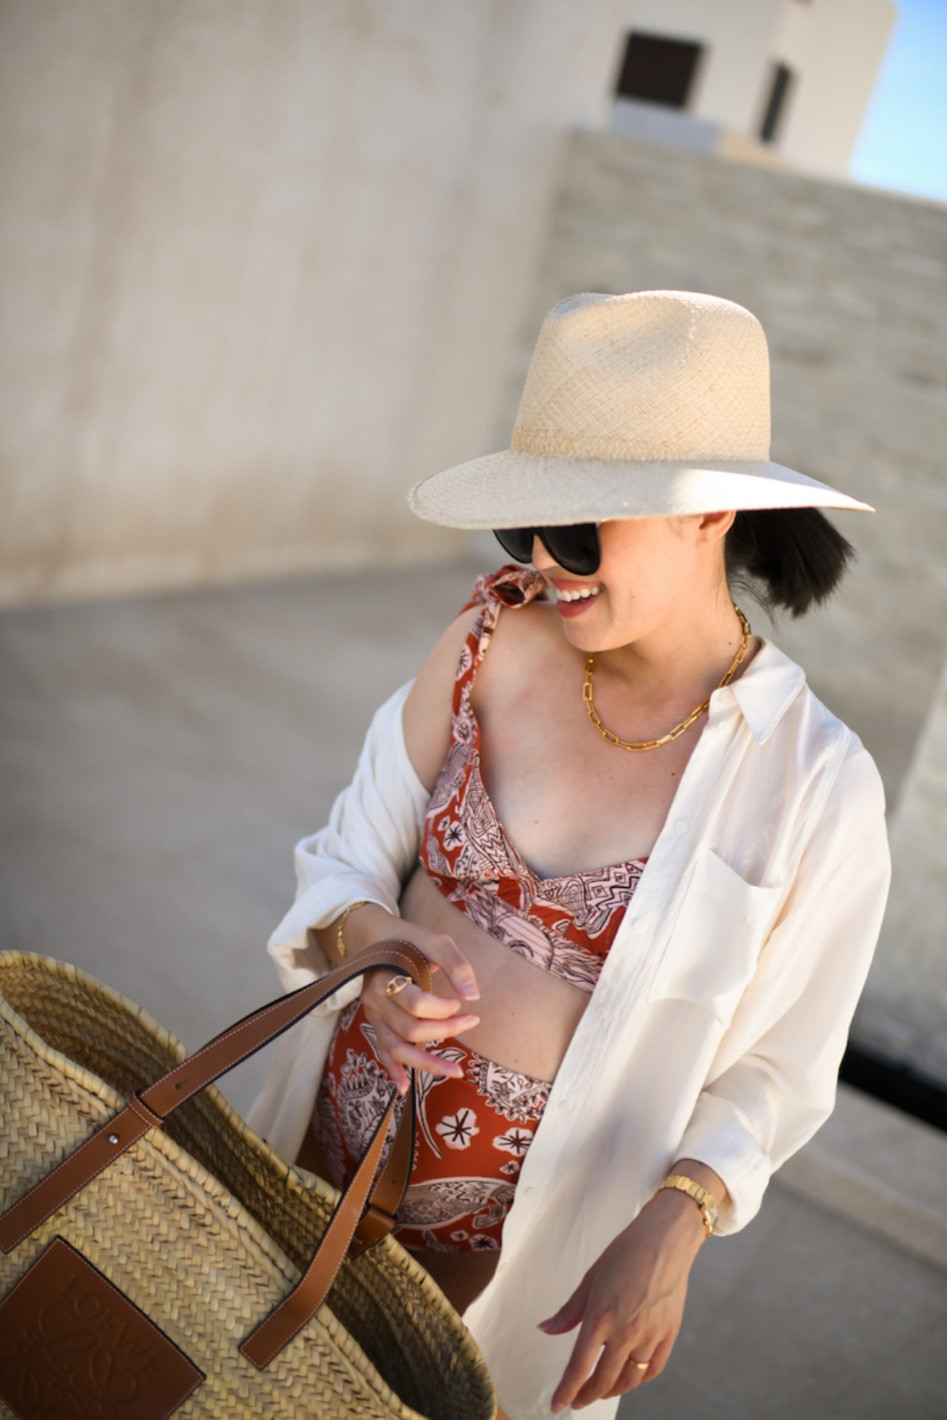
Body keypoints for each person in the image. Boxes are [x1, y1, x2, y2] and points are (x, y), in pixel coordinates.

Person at [248, 291, 890, 1419]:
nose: (546, 561)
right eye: (525, 528)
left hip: (520, 1272)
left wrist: (678, 1222)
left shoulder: (812, 781)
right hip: (301, 1174)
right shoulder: (487, 636)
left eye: (581, 530)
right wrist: (370, 946)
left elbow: (779, 1069)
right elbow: (346, 854)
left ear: (709, 512)